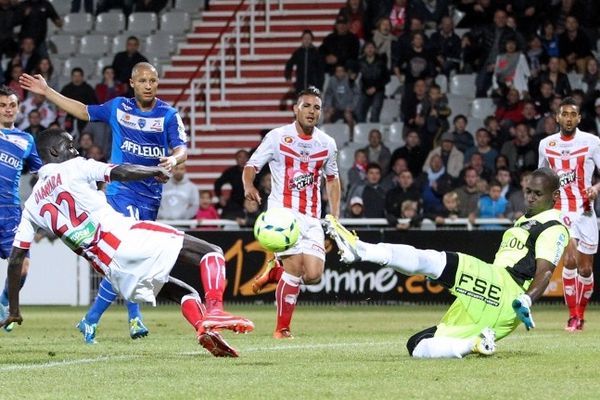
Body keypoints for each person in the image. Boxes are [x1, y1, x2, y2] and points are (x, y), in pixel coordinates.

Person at [0, 129, 253, 357]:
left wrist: (13, 308)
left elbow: (16, 259)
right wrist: (153, 171)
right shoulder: (74, 166)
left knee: (186, 293)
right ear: (54, 151)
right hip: (126, 237)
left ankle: (203, 329)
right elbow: (117, 171)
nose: (75, 150)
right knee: (212, 252)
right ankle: (216, 310)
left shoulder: (32, 204)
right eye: (69, 145)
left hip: (112, 271)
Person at [18, 62, 193, 343]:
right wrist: (48, 91)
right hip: (121, 190)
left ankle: (91, 320)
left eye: (153, 80)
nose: (148, 85)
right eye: (143, 80)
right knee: (129, 254)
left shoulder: (169, 115)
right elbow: (84, 110)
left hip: (151, 193)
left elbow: (181, 148)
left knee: (131, 258)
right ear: (132, 83)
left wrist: (173, 159)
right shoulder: (118, 108)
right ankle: (134, 318)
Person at [323, 167, 569, 358]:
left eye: (538, 194)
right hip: (498, 311)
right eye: (528, 191)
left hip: (505, 288)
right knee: (417, 344)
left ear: (555, 196)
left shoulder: (553, 227)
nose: (531, 198)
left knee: (434, 260)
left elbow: (545, 271)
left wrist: (527, 299)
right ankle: (475, 344)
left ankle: (360, 250)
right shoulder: (526, 221)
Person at [242, 87, 341, 339]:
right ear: (295, 109)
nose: (311, 111)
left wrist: (335, 216)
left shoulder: (327, 144)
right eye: (306, 106)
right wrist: (248, 185)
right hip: (282, 215)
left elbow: (332, 179)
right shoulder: (277, 137)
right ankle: (281, 329)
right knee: (295, 268)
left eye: (316, 107)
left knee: (314, 275)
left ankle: (275, 271)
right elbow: (251, 165)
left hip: (311, 216)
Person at [538, 97, 600, 331]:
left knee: (585, 269)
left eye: (573, 114)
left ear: (579, 118)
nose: (568, 118)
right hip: (560, 209)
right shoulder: (546, 144)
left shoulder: (592, 142)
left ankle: (581, 315)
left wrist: (594, 188)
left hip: (584, 211)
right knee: (570, 260)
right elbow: (541, 175)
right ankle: (572, 316)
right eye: (564, 114)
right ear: (557, 117)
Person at [0, 86, 42, 333]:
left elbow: (42, 171)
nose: (8, 109)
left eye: (12, 105)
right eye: (3, 105)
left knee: (23, 266)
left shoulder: (26, 140)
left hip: (11, 212)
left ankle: (5, 301)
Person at [214, 149, 249, 220]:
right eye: (240, 157)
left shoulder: (255, 171)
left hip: (251, 201)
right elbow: (218, 183)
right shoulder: (231, 171)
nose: (242, 159)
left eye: (245, 157)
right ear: (236, 159)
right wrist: (220, 196)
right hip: (235, 202)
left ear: (249, 159)